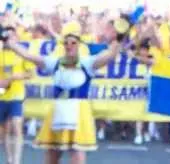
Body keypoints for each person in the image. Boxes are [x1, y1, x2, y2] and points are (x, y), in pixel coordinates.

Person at [5, 20, 121, 164]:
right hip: (58, 110)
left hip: (79, 112)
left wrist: (117, 42)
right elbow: (28, 56)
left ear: (79, 45)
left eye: (73, 43)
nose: (69, 46)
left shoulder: (88, 63)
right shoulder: (54, 62)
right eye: (66, 43)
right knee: (52, 154)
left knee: (77, 154)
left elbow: (109, 56)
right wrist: (10, 43)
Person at [0, 26, 33, 164]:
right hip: (2, 96)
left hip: (17, 96)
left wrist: (15, 77)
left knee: (16, 125)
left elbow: (31, 73)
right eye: (7, 37)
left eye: (12, 36)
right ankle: (9, 160)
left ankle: (16, 161)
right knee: (5, 131)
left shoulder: (21, 54)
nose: (9, 40)